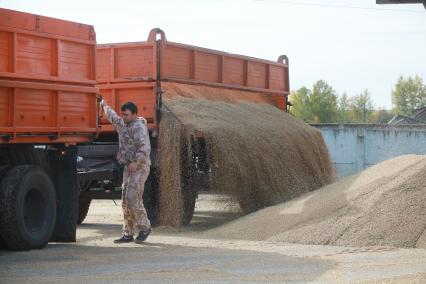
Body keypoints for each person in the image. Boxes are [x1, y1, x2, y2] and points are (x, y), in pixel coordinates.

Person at [99, 98, 152, 244]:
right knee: (125, 201)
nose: (124, 117)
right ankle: (128, 233)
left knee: (132, 197)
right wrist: (103, 104)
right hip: (128, 167)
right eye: (123, 114)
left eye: (127, 114)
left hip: (140, 167)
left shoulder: (139, 127)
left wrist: (136, 161)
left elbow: (145, 147)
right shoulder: (122, 123)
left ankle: (145, 227)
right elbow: (112, 116)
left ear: (135, 114)